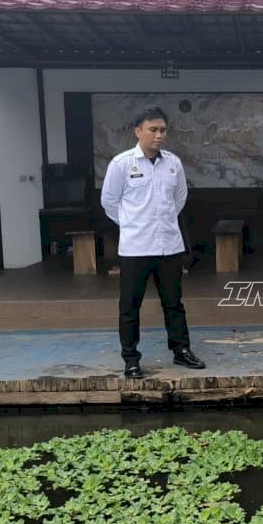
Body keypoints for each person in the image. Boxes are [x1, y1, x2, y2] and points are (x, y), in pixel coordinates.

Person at [100, 106, 207, 378]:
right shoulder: (122, 163)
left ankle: (181, 351)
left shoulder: (173, 163)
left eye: (163, 130)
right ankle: (131, 359)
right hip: (135, 248)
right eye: (153, 130)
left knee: (174, 303)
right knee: (129, 307)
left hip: (169, 246)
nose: (159, 135)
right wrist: (131, 224)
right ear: (138, 132)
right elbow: (109, 202)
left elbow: (179, 199)